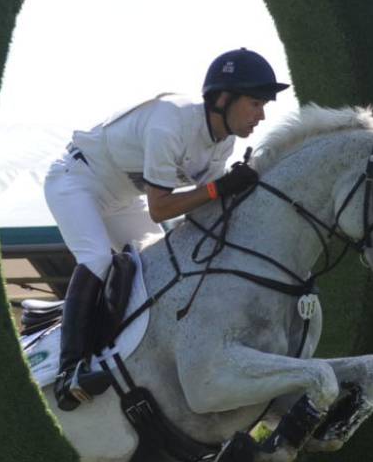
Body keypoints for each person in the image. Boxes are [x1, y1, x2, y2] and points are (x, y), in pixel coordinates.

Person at [43, 48, 290, 410]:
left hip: (123, 199)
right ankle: (70, 372)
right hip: (77, 180)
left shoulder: (224, 142)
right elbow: (161, 208)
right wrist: (220, 189)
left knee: (156, 263)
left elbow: (206, 209)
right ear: (223, 99)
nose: (262, 115)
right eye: (255, 103)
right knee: (97, 257)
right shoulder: (170, 122)